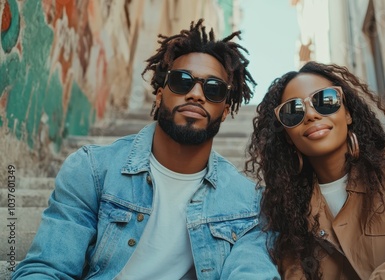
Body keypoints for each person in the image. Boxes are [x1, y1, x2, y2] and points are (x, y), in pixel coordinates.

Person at [12, 19, 279, 280]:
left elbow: (253, 271)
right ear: (160, 94)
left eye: (213, 89)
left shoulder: (248, 204)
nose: (196, 94)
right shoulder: (93, 170)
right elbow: (46, 267)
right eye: (182, 81)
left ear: (225, 111)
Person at [245, 61, 385, 279]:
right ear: (287, 135)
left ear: (347, 113)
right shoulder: (287, 207)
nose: (311, 115)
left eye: (325, 101)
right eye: (293, 111)